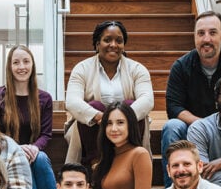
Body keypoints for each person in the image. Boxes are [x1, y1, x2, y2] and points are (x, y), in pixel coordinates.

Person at [161, 10, 221, 187]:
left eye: (212, 33)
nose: (206, 39)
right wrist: (204, 126)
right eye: (201, 33)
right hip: (191, 128)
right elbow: (173, 107)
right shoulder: (181, 66)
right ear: (194, 37)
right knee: (172, 126)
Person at [63, 20, 154, 167]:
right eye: (107, 40)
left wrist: (120, 118)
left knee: (130, 106)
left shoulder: (137, 69)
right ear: (97, 44)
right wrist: (101, 117)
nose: (113, 45)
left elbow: (147, 100)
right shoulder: (82, 68)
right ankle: (95, 163)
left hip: (127, 128)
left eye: (119, 41)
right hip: (93, 131)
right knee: (94, 106)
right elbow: (72, 102)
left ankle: (130, 160)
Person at [0, 45, 58, 189]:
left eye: (26, 61)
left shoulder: (44, 98)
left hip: (35, 155)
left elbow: (46, 134)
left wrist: (33, 148)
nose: (21, 67)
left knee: (39, 158)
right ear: (9, 67)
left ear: (32, 65)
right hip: (5, 156)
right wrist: (18, 150)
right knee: (23, 160)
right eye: (16, 62)